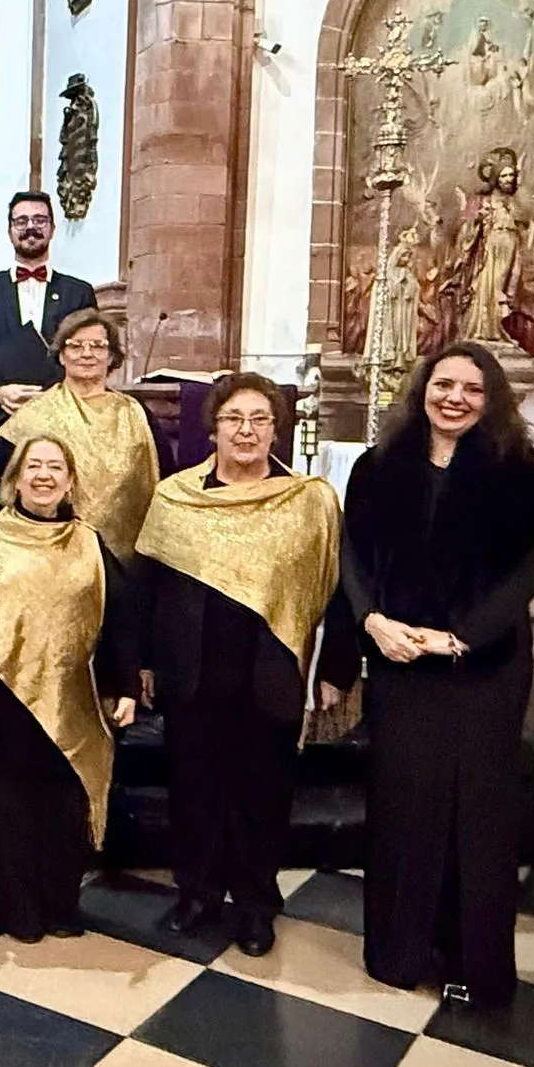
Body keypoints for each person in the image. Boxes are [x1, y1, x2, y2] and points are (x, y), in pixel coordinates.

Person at [341, 342, 534, 1008]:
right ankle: (401, 952)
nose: (454, 398)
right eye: (443, 384)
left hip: (482, 667)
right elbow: (352, 553)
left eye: (471, 388)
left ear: (491, 401)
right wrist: (372, 621)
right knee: (403, 806)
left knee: (478, 813)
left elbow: (531, 570)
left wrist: (463, 636)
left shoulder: (523, 473)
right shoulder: (377, 468)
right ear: (422, 390)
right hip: (403, 662)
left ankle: (474, 960)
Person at [135, 373, 356, 957]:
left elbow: (340, 587)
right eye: (234, 418)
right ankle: (199, 894)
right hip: (194, 668)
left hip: (273, 668)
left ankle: (256, 905)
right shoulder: (176, 496)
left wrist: (335, 668)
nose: (246, 430)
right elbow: (150, 586)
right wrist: (147, 662)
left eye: (260, 419)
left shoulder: (308, 501)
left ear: (277, 430)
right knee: (194, 790)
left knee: (264, 793)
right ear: (213, 428)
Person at [0, 435, 139, 942]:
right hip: (3, 698)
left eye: (55, 467)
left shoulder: (90, 542)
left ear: (70, 480)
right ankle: (16, 912)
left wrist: (124, 685)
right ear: (15, 477)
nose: (43, 475)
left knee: (66, 805)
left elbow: (121, 616)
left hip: (74, 695)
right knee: (9, 808)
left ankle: (61, 905)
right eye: (33, 466)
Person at [0, 309, 163, 558]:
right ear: (61, 356)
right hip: (49, 554)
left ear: (111, 356)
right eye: (75, 346)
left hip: (127, 560)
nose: (87, 354)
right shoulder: (33, 415)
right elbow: (4, 486)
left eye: (98, 346)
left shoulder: (137, 415)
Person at [0, 192, 99, 434]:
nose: (30, 227)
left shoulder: (79, 292)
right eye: (21, 221)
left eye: (40, 220)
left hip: (62, 418)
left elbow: (90, 350)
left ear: (52, 229)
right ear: (10, 231)